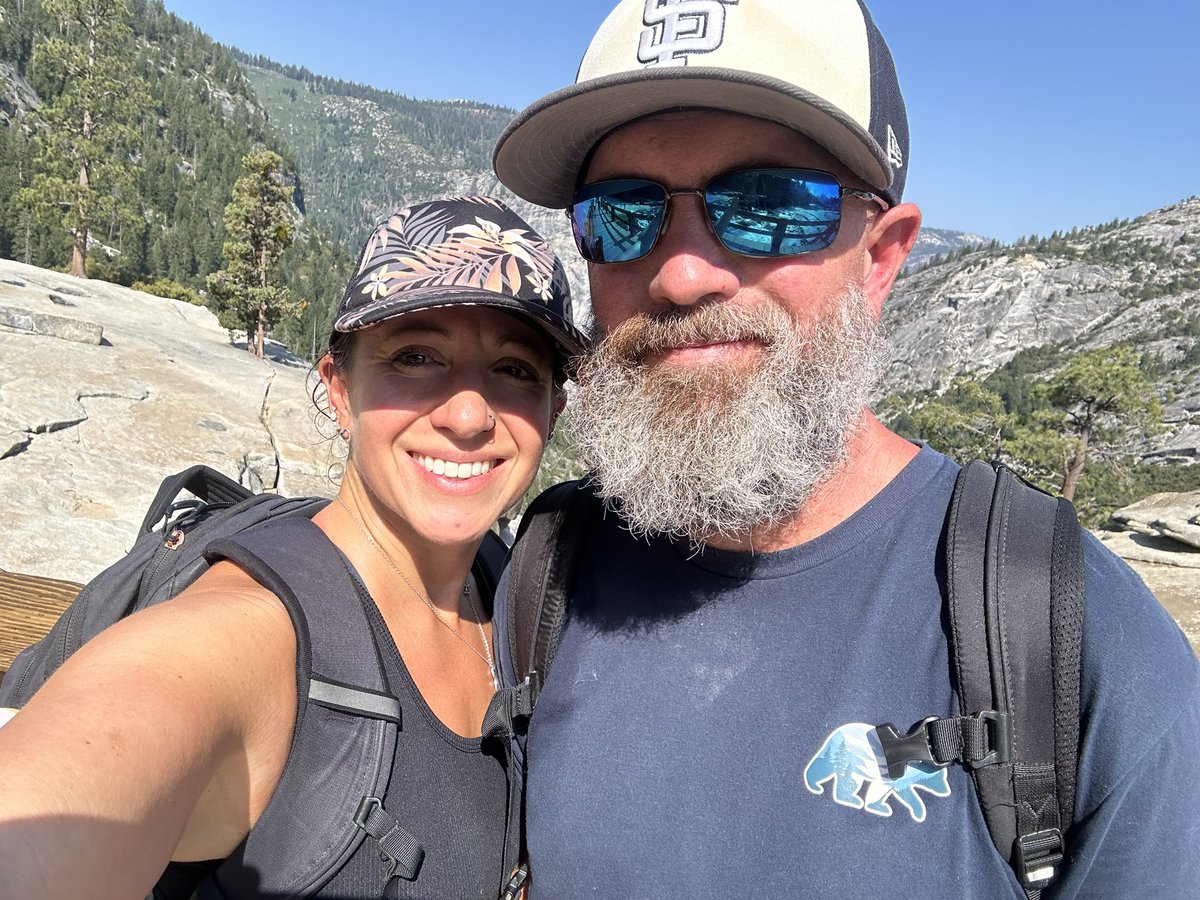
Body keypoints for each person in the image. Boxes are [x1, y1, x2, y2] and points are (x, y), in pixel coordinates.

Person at [491, 2, 1200, 897]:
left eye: (768, 208)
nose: (679, 274)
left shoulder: (1079, 641)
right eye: (622, 216)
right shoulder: (548, 569)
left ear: (881, 258)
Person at [0, 196, 585, 899]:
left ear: (552, 408)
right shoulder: (243, 638)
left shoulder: (510, 590)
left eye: (516, 370)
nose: (467, 415)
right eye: (417, 356)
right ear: (338, 389)